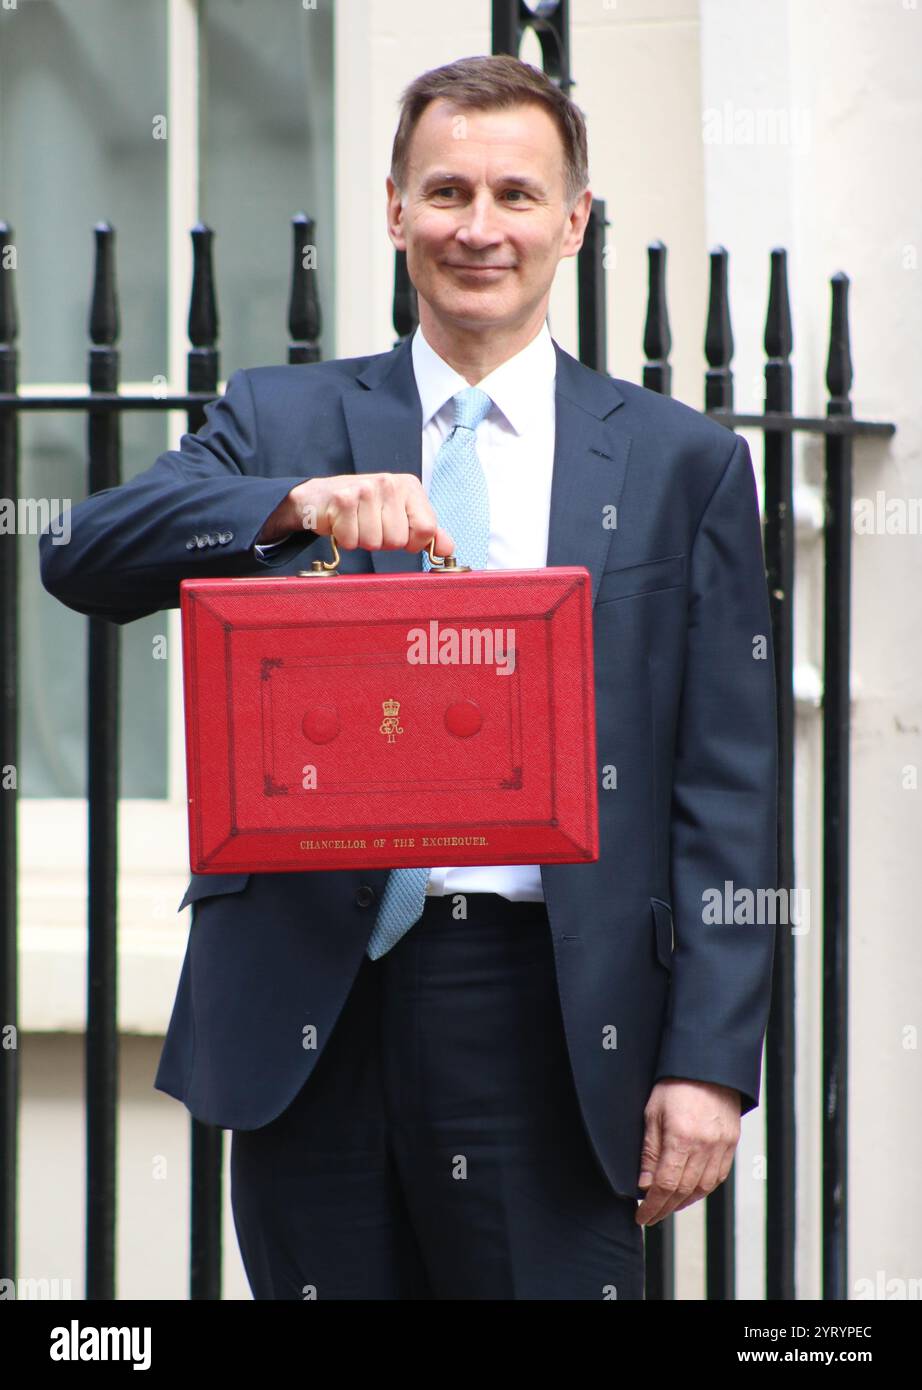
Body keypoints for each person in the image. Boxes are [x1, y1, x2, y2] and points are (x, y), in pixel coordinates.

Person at [39, 53, 778, 1300]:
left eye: (515, 195)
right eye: (446, 192)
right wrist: (295, 504)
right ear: (393, 212)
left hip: (557, 1014)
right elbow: (80, 553)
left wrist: (708, 1062)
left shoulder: (679, 462)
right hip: (313, 1008)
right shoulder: (281, 421)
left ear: (573, 223)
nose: (479, 228)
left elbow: (730, 786)